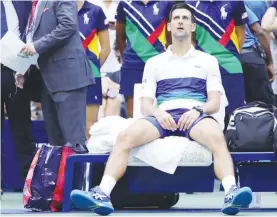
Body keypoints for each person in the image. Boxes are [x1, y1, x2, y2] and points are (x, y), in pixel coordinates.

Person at [70, 3, 253, 216]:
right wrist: (158, 113)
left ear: (193, 27)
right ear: (168, 26)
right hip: (163, 116)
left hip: (194, 116)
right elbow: (145, 104)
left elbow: (214, 102)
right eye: (176, 18)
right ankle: (102, 193)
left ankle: (231, 191)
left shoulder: (208, 61)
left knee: (216, 137)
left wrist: (197, 111)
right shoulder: (154, 63)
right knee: (125, 137)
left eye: (185, 18)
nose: (181, 22)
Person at [21, 0, 95, 147]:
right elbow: (31, 37)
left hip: (68, 77)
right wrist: (21, 67)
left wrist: (37, 46)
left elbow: (68, 25)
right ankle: (59, 171)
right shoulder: (34, 4)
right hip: (46, 79)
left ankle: (75, 171)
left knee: (73, 141)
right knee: (55, 142)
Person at [115, 0, 174, 118]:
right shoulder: (124, 4)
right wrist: (128, 57)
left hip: (160, 66)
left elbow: (170, 36)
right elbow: (120, 37)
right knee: (133, 116)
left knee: (161, 113)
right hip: (132, 66)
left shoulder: (167, 3)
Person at [1, 0, 35, 192]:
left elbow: (31, 32)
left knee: (22, 131)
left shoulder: (24, 2)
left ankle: (29, 187)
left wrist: (25, 64)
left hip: (16, 71)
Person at [76, 0, 117, 138]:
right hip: (66, 75)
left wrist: (91, 69)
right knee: (69, 124)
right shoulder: (59, 8)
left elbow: (106, 49)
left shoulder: (96, 11)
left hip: (91, 76)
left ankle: (89, 159)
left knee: (90, 126)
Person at [241, 3, 275, 105]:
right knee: (262, 107)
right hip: (250, 58)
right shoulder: (237, 3)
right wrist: (270, 62)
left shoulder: (198, 5)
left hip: (222, 59)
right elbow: (259, 31)